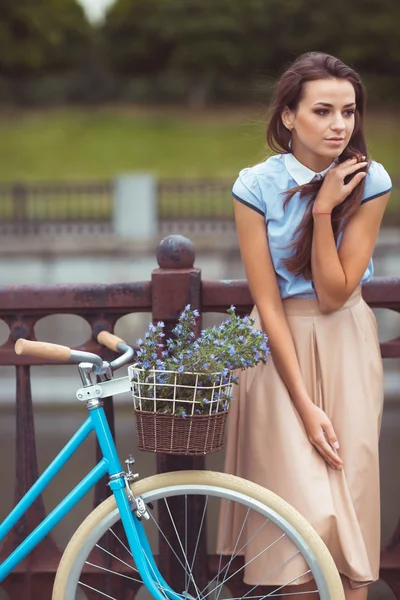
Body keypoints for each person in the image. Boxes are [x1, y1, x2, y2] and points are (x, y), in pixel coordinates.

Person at [217, 52, 392, 600]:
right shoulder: (255, 185)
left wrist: (322, 213)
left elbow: (336, 291)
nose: (339, 124)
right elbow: (268, 304)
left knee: (347, 541)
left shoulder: (372, 180)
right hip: (278, 353)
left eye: (349, 111)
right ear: (289, 116)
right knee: (289, 539)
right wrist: (304, 404)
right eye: (322, 110)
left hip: (345, 343)